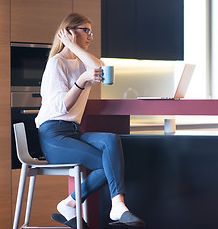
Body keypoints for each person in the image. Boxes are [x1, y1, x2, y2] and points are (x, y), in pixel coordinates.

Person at [35, 13, 145, 228]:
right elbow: (62, 106)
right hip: (53, 135)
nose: (91, 36)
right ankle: (105, 206)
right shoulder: (56, 64)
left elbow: (100, 70)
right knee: (107, 164)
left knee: (111, 140)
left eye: (91, 31)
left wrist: (74, 47)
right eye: (86, 30)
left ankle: (114, 204)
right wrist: (81, 79)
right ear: (69, 31)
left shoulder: (82, 62)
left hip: (73, 132)